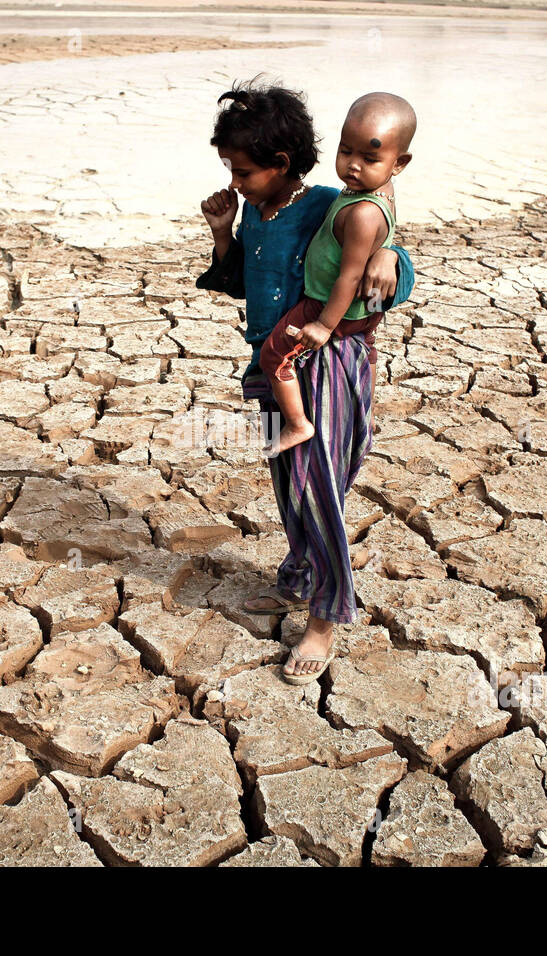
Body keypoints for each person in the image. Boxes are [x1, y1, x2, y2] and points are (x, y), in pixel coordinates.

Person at [195, 82, 415, 683]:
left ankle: (324, 618)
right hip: (272, 363)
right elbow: (241, 283)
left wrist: (393, 256)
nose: (234, 183)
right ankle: (298, 577)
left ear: (281, 165)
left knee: (317, 486)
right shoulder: (257, 215)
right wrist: (224, 233)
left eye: (242, 172)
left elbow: (378, 233)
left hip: (327, 362)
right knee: (290, 484)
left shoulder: (326, 204)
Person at [257, 92, 415, 458]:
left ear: (399, 162)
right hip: (364, 311)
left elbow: (349, 276)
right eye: (346, 151)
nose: (353, 166)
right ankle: (367, 411)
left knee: (274, 356)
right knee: (370, 352)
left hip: (329, 307)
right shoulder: (383, 190)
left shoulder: (362, 213)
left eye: (369, 158)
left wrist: (325, 325)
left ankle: (297, 424)